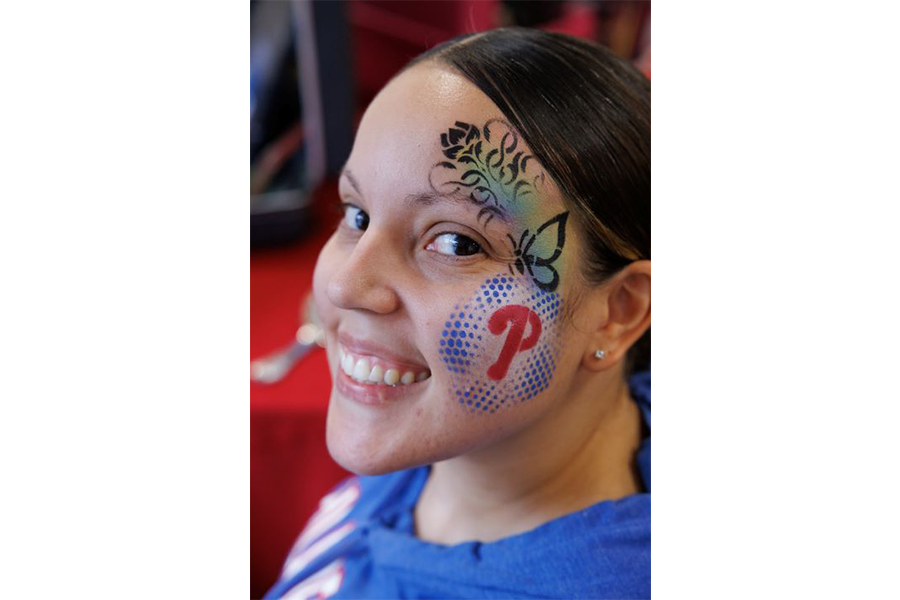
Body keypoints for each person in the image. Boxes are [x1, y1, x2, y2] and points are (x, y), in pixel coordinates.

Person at [263, 26, 651, 600]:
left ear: (617, 311)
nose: (345, 285)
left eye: (456, 243)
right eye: (357, 214)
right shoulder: (445, 442)